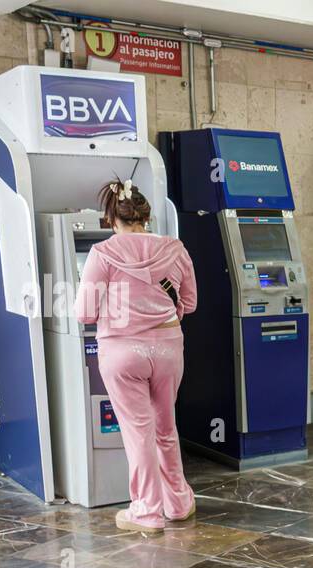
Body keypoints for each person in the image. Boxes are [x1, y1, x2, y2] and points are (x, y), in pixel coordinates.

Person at [73, 179, 197, 534]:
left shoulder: (102, 254)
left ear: (113, 219)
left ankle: (145, 511)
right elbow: (189, 302)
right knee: (165, 427)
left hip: (123, 351)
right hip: (168, 347)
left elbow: (85, 313)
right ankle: (179, 501)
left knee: (138, 432)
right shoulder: (175, 248)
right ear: (146, 216)